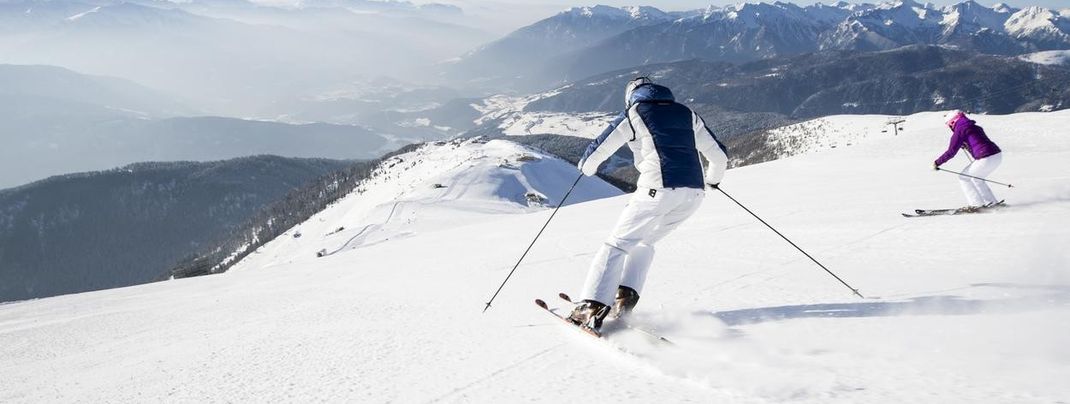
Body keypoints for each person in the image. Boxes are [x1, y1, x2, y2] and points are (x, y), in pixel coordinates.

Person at [567, 77, 728, 331]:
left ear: (631, 96)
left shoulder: (635, 113)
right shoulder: (687, 113)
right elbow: (719, 156)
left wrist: (585, 168)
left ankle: (592, 306)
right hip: (693, 195)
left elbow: (600, 148)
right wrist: (713, 181)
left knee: (617, 244)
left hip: (657, 191)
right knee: (644, 242)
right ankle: (624, 299)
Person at [933, 110, 1003, 209]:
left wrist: (937, 163)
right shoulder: (975, 127)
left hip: (985, 158)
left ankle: (976, 205)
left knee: (963, 177)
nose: (950, 128)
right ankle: (992, 203)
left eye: (949, 125)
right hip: (997, 156)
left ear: (953, 122)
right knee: (977, 178)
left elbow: (951, 152)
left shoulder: (959, 131)